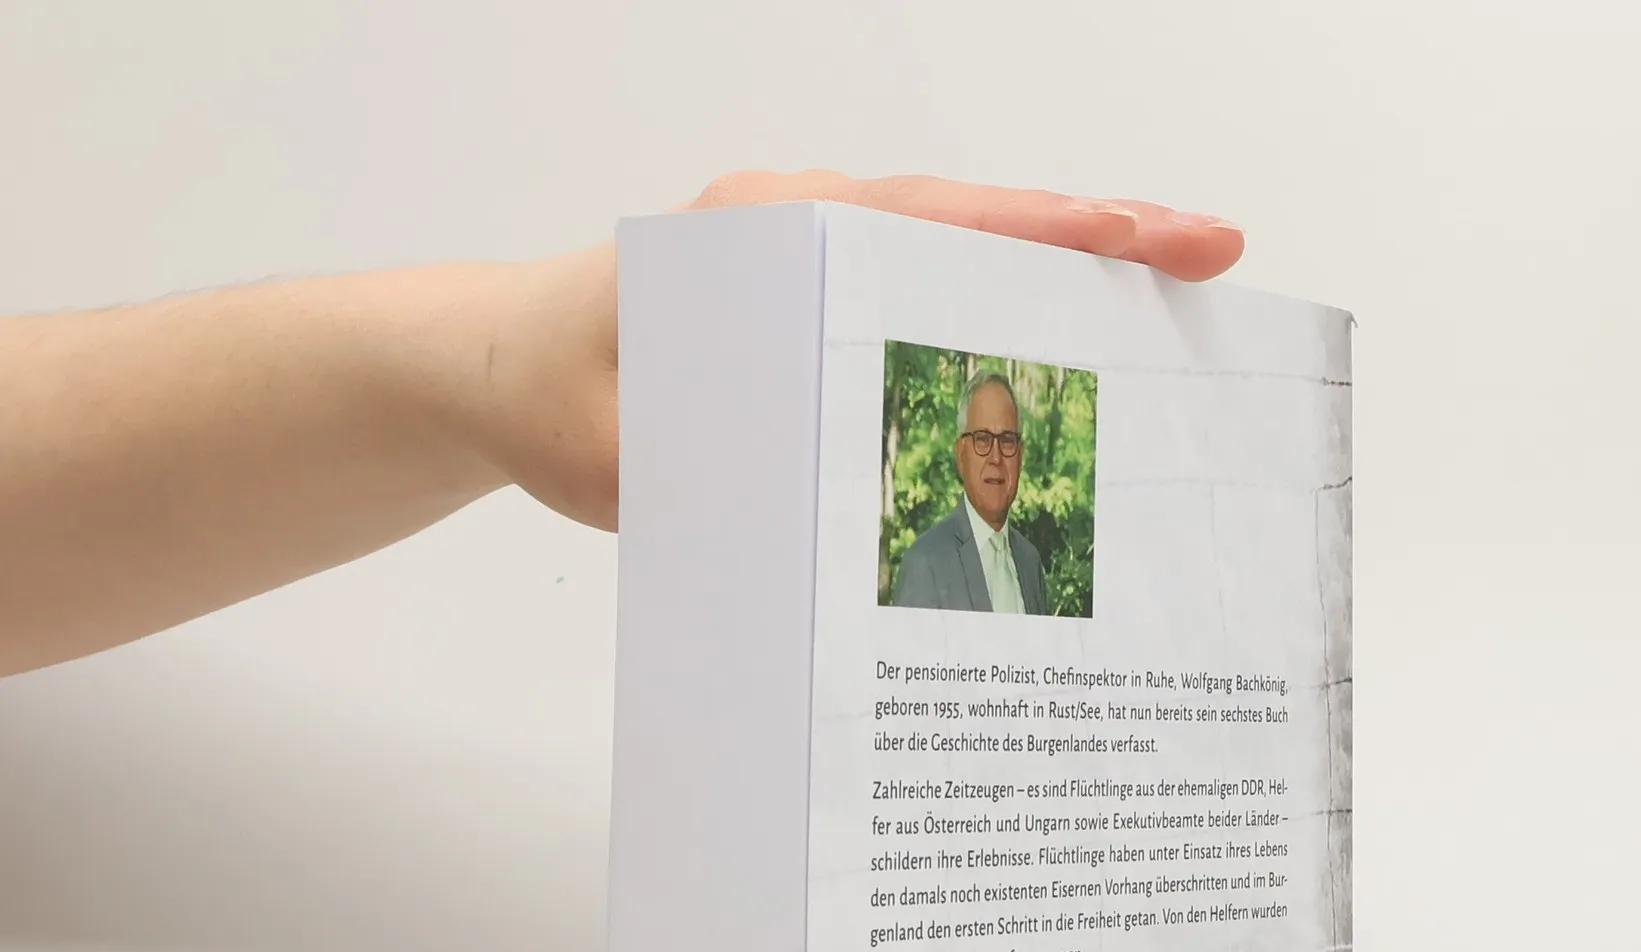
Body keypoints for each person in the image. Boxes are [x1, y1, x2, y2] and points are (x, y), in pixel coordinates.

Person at [0, 171, 1241, 679]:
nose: (999, 458)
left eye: (1012, 443)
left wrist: (498, 353)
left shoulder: (1042, 568)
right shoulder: (917, 561)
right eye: (982, 439)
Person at [892, 370, 1047, 615]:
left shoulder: (1031, 564)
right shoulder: (925, 563)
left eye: (1007, 440)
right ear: (961, 454)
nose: (996, 457)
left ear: (1020, 455)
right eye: (983, 439)